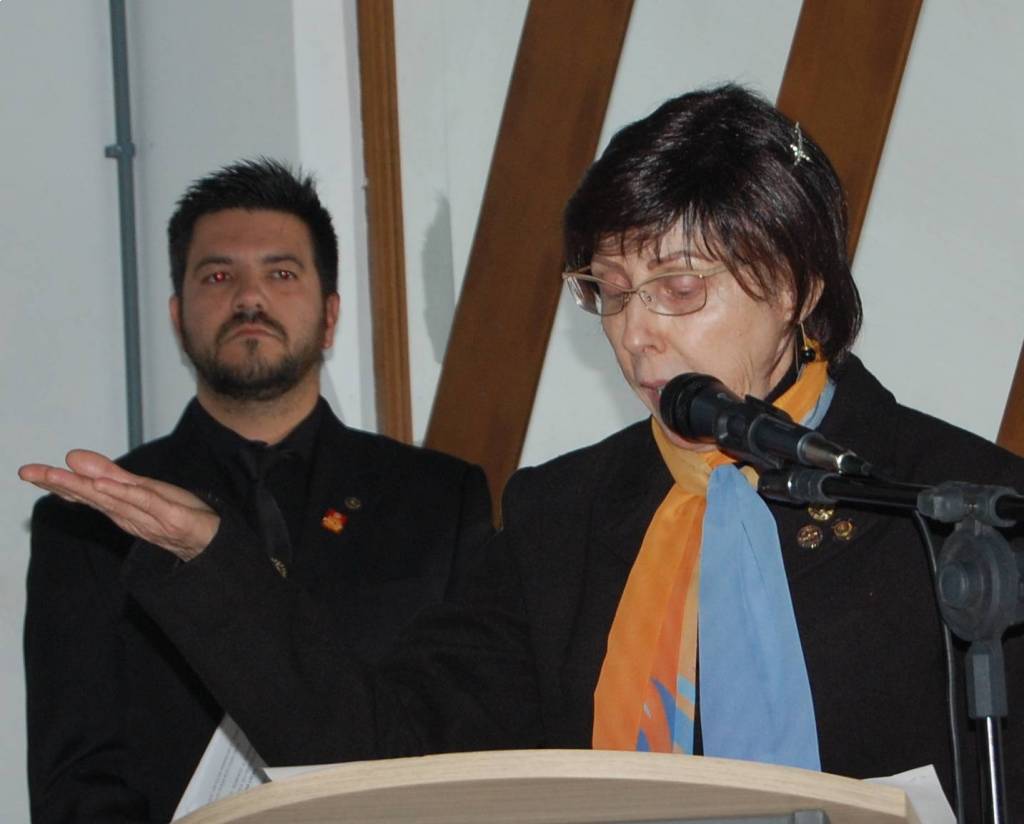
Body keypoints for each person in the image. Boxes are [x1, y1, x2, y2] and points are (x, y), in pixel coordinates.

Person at [22, 87, 1024, 820]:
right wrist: (214, 562)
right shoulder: (565, 515)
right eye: (609, 292)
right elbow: (386, 746)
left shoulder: (956, 501)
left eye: (678, 287)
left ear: (798, 282)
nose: (635, 334)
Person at [21, 158, 492, 823]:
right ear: (177, 316)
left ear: (330, 316)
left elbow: (472, 738)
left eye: (281, 274)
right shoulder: (93, 519)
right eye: (218, 276)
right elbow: (76, 784)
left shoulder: (441, 498)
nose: (249, 298)